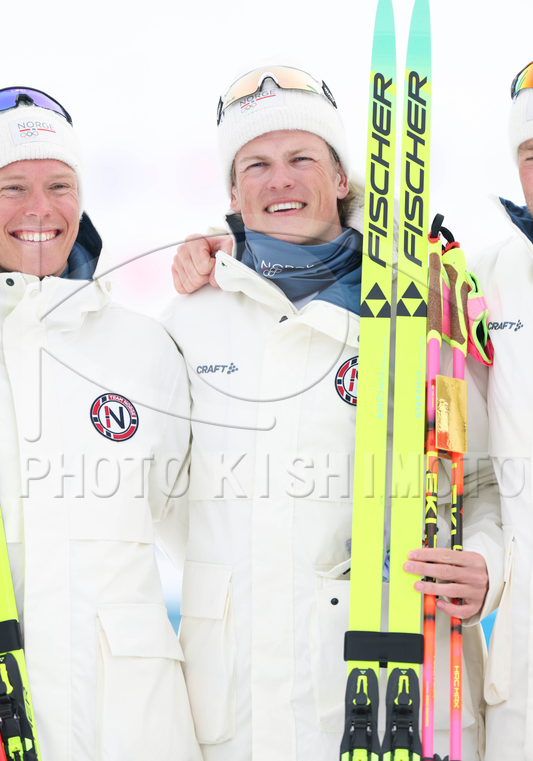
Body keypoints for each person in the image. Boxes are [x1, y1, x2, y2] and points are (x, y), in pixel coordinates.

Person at [166, 65, 504, 760]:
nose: (279, 181)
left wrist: (486, 564)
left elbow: (485, 479)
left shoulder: (426, 307)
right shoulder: (190, 318)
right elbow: (164, 499)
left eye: (301, 158)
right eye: (256, 165)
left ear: (343, 177)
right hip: (237, 703)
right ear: (232, 192)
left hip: (399, 689)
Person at [0, 88, 201, 760]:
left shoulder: (142, 348)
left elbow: (208, 538)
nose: (39, 209)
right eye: (12, 187)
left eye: (59, 185)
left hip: (135, 728)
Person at [465, 60, 533, 761]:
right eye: (532, 154)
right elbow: (473, 472)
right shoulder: (483, 280)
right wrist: (232, 248)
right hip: (526, 674)